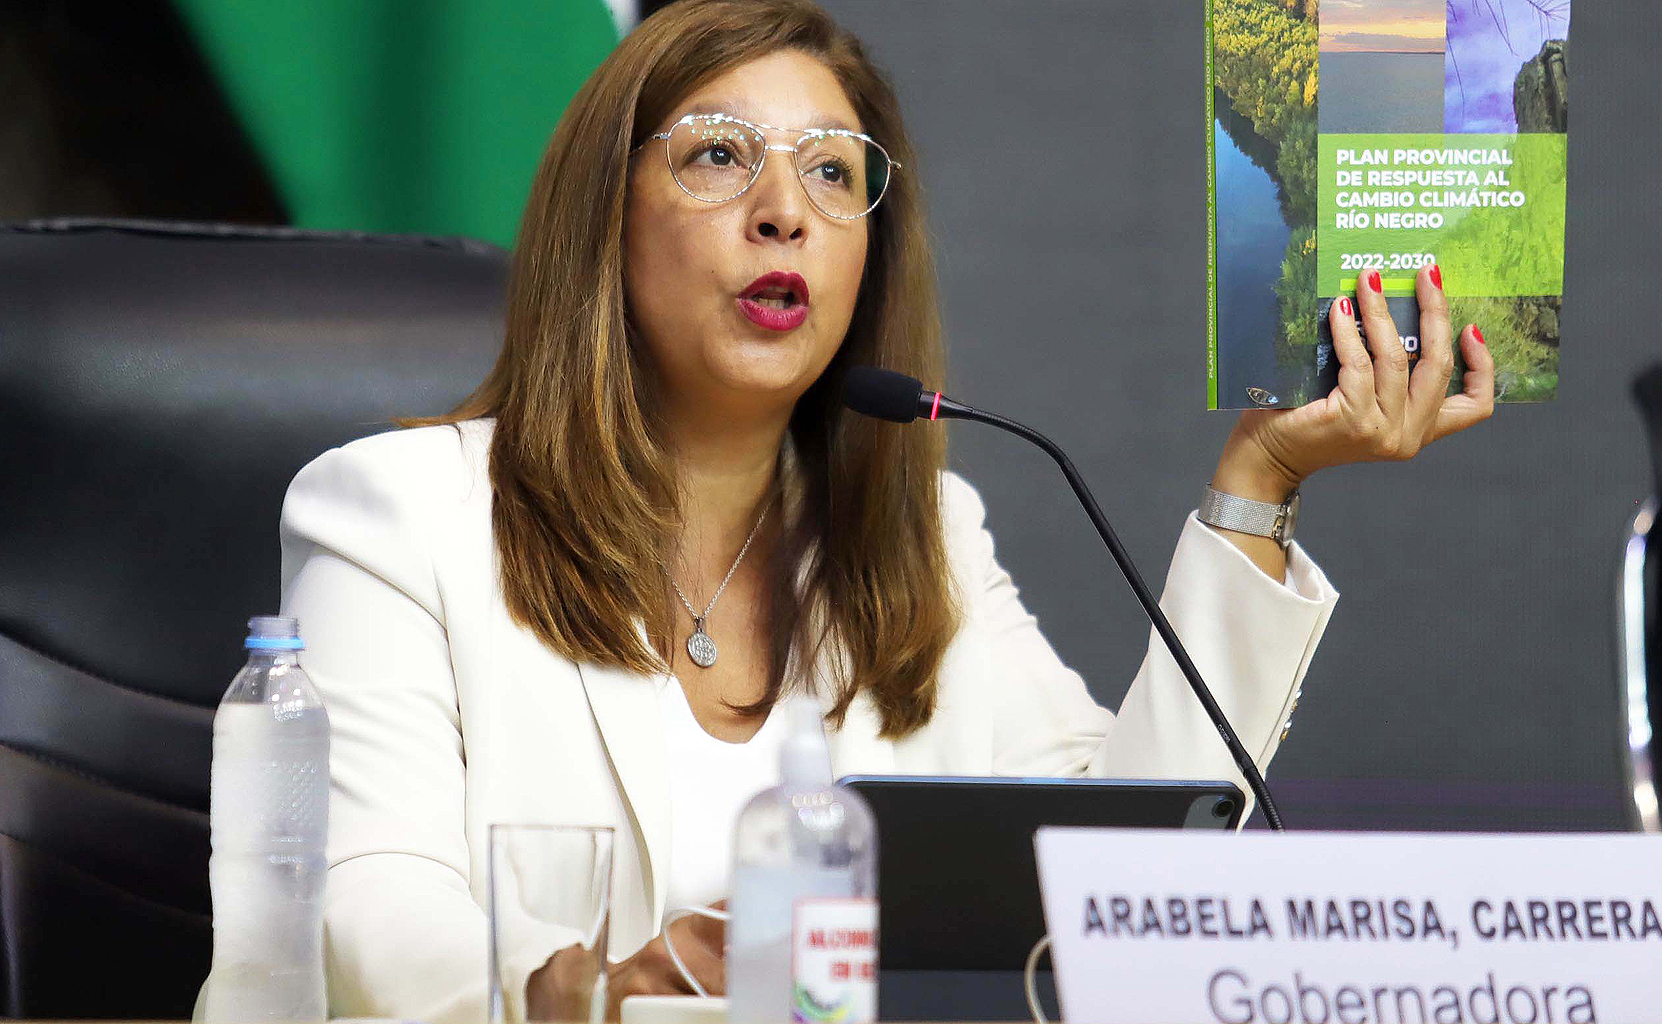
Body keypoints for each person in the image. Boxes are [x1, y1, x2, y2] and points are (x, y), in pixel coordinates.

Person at [194, 1, 1494, 1020]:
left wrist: (1259, 483)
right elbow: (360, 906)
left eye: (832, 174)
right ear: (604, 219)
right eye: (719, 157)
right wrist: (594, 993)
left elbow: (1122, 878)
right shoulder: (397, 512)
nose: (784, 213)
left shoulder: (929, 534)